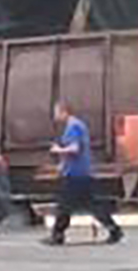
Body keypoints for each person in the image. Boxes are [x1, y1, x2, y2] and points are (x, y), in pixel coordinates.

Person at [46, 99, 122, 246]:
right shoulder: (77, 125)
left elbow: (74, 149)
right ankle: (114, 230)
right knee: (91, 204)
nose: (54, 115)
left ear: (64, 111)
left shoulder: (73, 127)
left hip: (75, 174)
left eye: (56, 112)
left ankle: (57, 235)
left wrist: (58, 150)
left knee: (64, 205)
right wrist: (62, 164)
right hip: (81, 171)